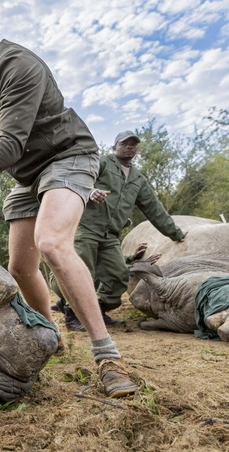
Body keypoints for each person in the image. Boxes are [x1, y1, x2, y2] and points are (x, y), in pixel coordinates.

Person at [0, 1, 137, 398]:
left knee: (52, 242)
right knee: (20, 266)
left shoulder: (17, 64)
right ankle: (51, 335)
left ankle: (108, 356)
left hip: (67, 155)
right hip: (28, 173)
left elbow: (11, 144)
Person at [50, 131, 186, 330]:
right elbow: (77, 178)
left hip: (111, 234)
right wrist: (89, 191)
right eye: (125, 143)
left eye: (133, 144)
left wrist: (176, 233)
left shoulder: (138, 179)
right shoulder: (103, 162)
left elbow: (154, 208)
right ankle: (73, 315)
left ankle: (98, 309)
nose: (129, 147)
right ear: (115, 147)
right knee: (82, 272)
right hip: (86, 227)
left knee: (118, 275)